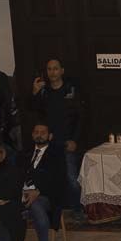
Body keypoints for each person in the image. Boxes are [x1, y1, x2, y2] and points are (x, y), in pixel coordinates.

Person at [30, 59, 85, 212]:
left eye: (55, 69)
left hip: (67, 141)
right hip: (48, 143)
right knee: (48, 177)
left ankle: (77, 210)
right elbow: (34, 112)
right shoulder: (44, 91)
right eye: (49, 69)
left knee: (72, 179)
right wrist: (35, 93)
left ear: (62, 70)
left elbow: (80, 117)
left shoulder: (71, 90)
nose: (52, 72)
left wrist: (74, 139)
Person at [21, 118, 68, 241]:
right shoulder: (24, 152)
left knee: (35, 205)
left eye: (43, 132)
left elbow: (58, 179)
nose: (39, 135)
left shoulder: (57, 154)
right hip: (21, 193)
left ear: (50, 136)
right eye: (36, 132)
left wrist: (38, 191)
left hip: (46, 195)